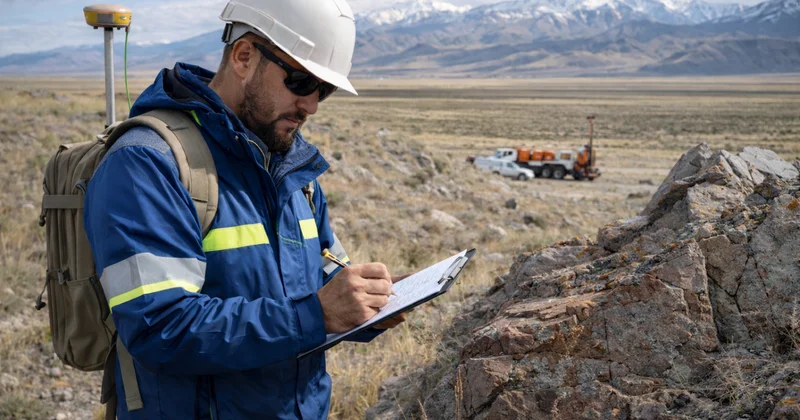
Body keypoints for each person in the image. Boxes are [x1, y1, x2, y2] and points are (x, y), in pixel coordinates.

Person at [84, 0, 408, 418]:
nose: (311, 105)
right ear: (243, 57)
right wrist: (317, 313)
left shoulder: (292, 171)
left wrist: (370, 302)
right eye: (300, 81)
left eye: (322, 90)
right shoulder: (149, 164)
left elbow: (326, 274)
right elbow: (159, 327)